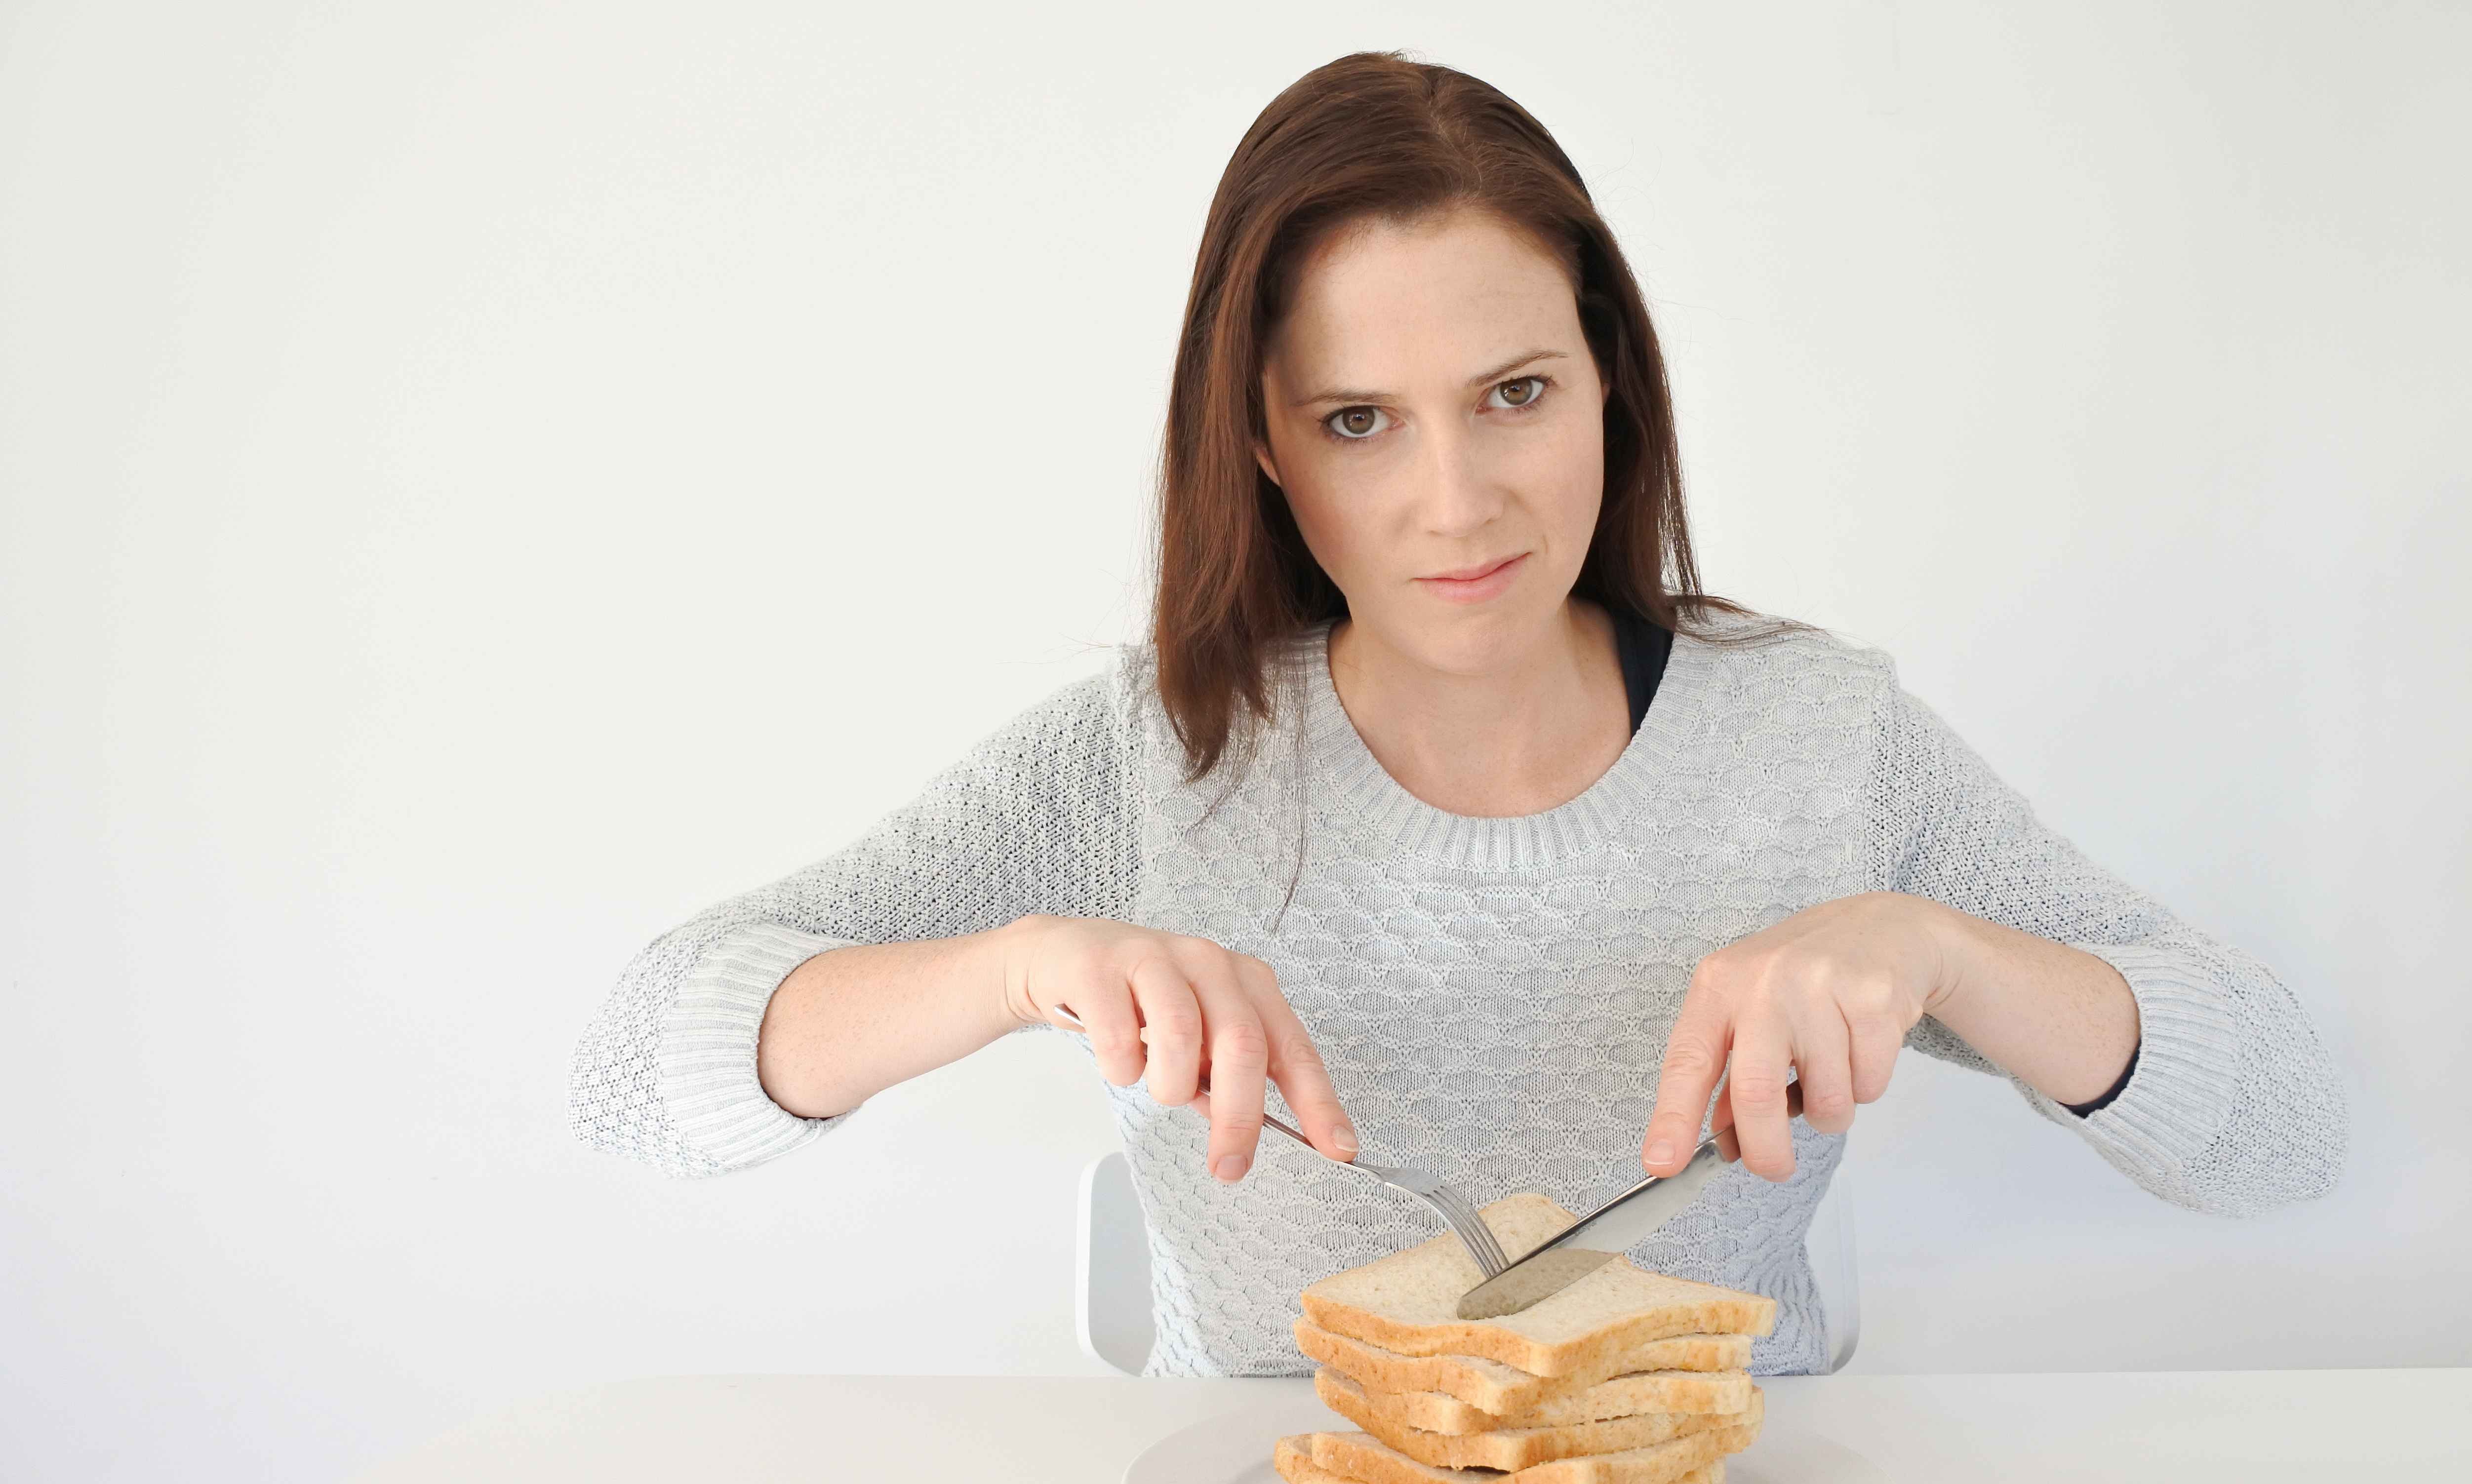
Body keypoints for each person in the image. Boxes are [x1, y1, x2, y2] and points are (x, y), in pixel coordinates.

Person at [567, 50, 2348, 1378]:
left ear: (1609, 388)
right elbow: (635, 1083)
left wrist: (1944, 952)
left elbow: (2277, 1136)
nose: (1455, 502)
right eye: (1357, 420)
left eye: (1512, 394)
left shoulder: (1821, 742)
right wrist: (1012, 968)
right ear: (1258, 446)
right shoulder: (1143, 757)